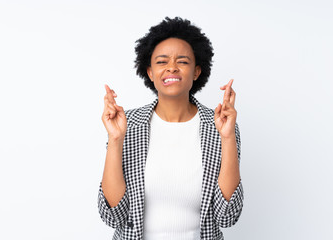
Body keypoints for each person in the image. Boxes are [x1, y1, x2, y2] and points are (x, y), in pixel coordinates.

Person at [98, 17, 244, 240]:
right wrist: (116, 139)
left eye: (183, 61)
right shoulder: (128, 124)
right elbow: (113, 216)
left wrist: (227, 138)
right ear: (149, 72)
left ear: (196, 72)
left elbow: (227, 216)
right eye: (162, 61)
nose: (172, 68)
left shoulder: (220, 126)